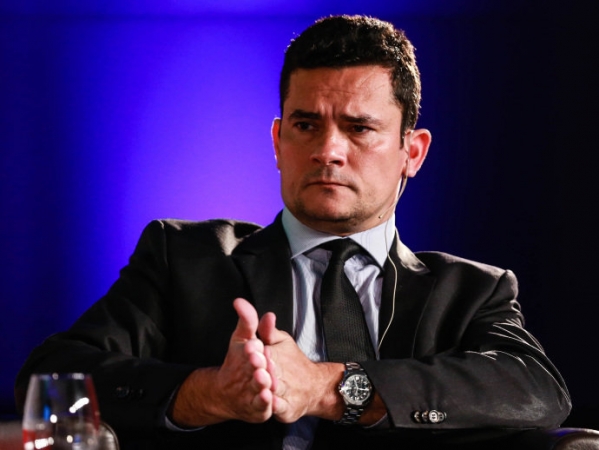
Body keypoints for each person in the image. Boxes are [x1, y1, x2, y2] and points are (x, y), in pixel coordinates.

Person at [15, 14, 571, 450]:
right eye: (306, 125)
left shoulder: (471, 291)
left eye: (359, 128)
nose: (328, 150)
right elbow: (50, 378)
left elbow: (536, 391)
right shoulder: (184, 257)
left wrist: (328, 387)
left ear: (413, 152)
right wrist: (208, 394)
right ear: (279, 142)